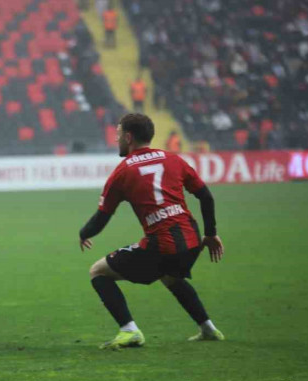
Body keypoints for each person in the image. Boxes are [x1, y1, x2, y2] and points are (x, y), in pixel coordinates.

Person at [78, 113, 225, 350]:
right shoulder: (173, 159)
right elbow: (205, 196)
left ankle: (129, 331)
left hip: (162, 244)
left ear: (128, 137)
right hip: (191, 240)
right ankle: (208, 328)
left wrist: (84, 233)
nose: (116, 141)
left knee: (97, 272)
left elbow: (102, 217)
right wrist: (210, 233)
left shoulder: (123, 172)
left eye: (118, 136)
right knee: (170, 276)